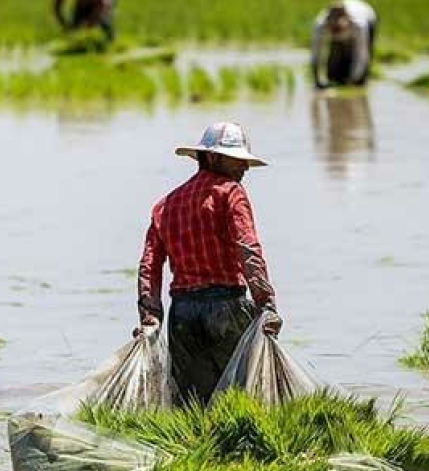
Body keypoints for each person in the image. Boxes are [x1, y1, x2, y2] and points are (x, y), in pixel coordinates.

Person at [136, 122, 283, 405]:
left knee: (192, 405)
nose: (245, 168)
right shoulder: (231, 194)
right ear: (213, 158)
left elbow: (149, 266)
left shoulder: (166, 205)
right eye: (237, 160)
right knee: (239, 400)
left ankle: (192, 448)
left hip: (183, 316)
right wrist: (266, 304)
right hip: (226, 308)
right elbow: (248, 250)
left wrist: (150, 315)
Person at [310, 0, 377, 88]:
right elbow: (316, 53)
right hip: (347, 25)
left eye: (338, 29)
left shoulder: (360, 25)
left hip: (368, 17)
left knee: (360, 77)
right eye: (333, 29)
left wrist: (354, 80)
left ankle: (357, 79)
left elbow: (362, 55)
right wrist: (316, 79)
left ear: (347, 20)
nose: (336, 33)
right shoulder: (320, 25)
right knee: (334, 72)